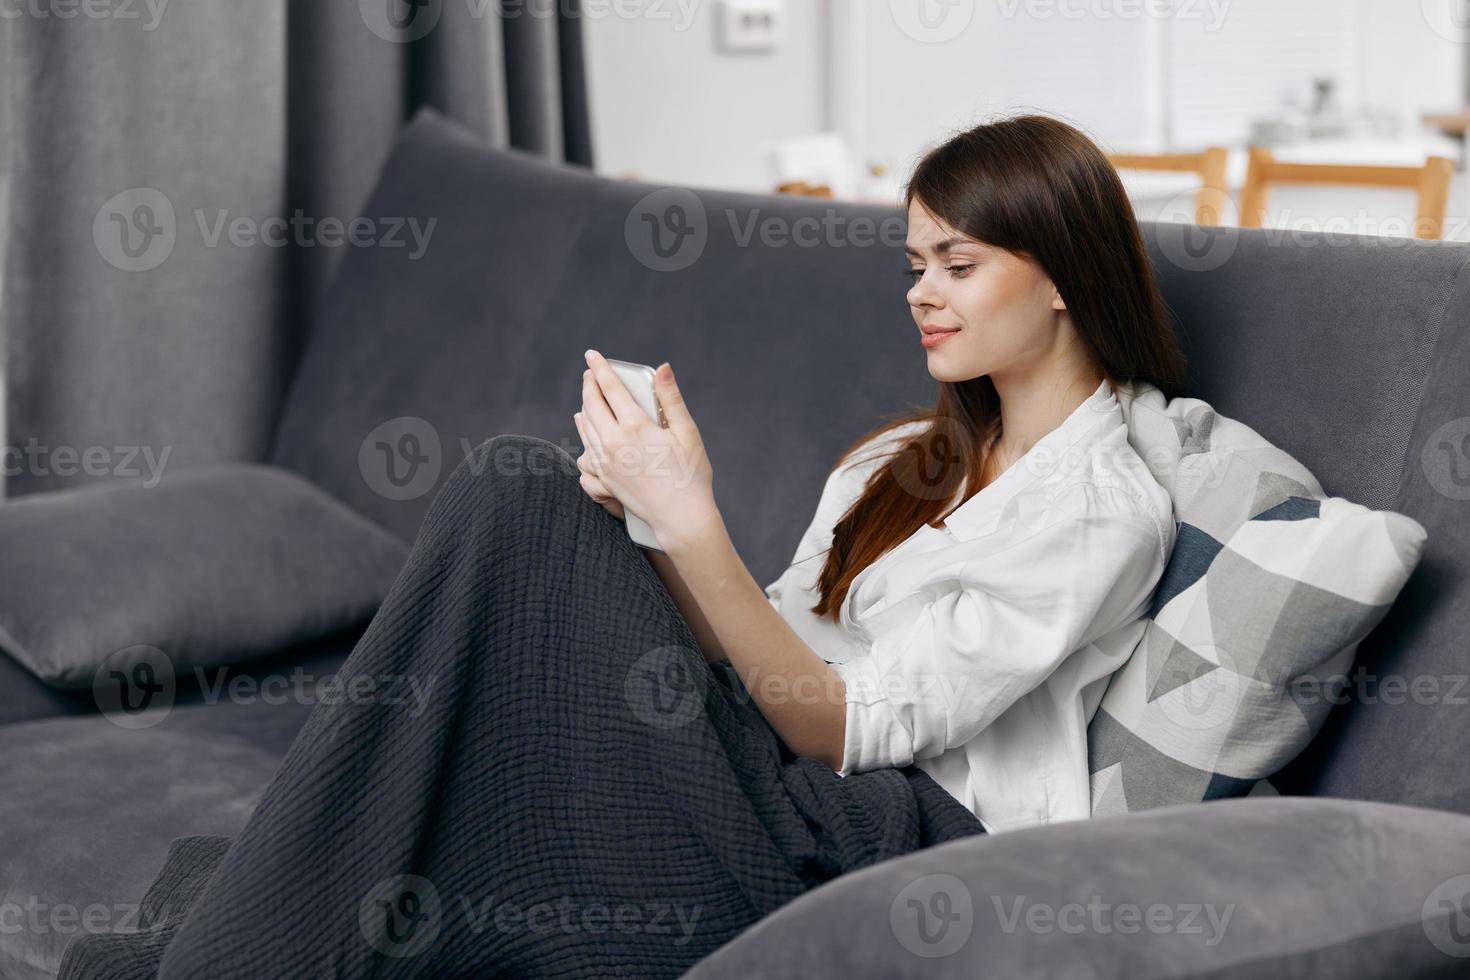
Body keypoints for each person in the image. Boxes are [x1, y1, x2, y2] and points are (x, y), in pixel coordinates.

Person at [65, 114, 1188, 980]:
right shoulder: (900, 460)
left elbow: (841, 720)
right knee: (536, 511)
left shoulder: (1100, 508)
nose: (921, 295)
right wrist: (653, 520)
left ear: (1057, 274)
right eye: (913, 264)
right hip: (760, 764)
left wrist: (692, 517)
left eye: (958, 263)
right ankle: (248, 937)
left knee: (513, 494)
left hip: (880, 845)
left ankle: (233, 946)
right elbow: (775, 646)